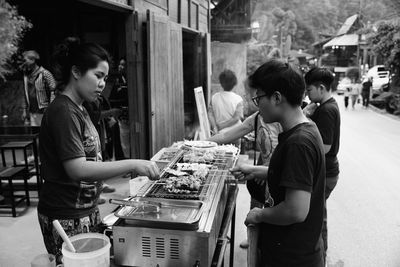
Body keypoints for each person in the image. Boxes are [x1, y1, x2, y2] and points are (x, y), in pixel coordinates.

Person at [37, 38, 160, 263]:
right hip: (64, 214)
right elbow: (77, 168)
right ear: (76, 71)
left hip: (84, 209)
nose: (103, 83)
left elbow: (86, 154)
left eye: (105, 77)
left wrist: (98, 184)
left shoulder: (80, 108)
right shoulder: (64, 111)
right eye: (98, 75)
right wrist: (133, 164)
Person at [231, 59, 326, 266]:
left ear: (276, 97)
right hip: (291, 250)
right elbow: (290, 176)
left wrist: (259, 214)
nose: (256, 105)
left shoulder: (298, 143)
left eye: (258, 98)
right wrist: (254, 170)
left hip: (291, 257)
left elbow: (295, 210)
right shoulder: (305, 129)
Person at [208, 83, 282, 248]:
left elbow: (285, 152)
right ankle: (253, 238)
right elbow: (228, 134)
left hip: (277, 175)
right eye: (253, 97)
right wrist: (202, 143)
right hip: (264, 170)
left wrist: (266, 170)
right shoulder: (257, 118)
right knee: (256, 203)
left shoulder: (281, 120)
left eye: (257, 98)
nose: (253, 102)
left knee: (275, 221)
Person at [305, 67, 341, 263]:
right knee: (318, 216)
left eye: (309, 90)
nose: (308, 95)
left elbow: (325, 146)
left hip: (326, 173)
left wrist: (306, 119)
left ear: (321, 87)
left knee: (317, 219)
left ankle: (321, 258)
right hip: (328, 172)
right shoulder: (327, 106)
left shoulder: (327, 110)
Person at [20, 50, 56, 126]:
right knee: (34, 133)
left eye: (25, 60)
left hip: (44, 111)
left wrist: (50, 109)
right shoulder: (26, 76)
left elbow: (53, 91)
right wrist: (24, 110)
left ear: (32, 60)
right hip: (32, 112)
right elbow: (24, 94)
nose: (24, 63)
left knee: (45, 134)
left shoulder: (45, 73)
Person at [208, 69, 244, 137]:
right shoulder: (238, 99)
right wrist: (221, 126)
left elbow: (210, 114)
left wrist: (215, 127)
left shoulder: (214, 97)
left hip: (219, 134)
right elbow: (236, 118)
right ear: (234, 83)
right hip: (236, 133)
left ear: (221, 83)